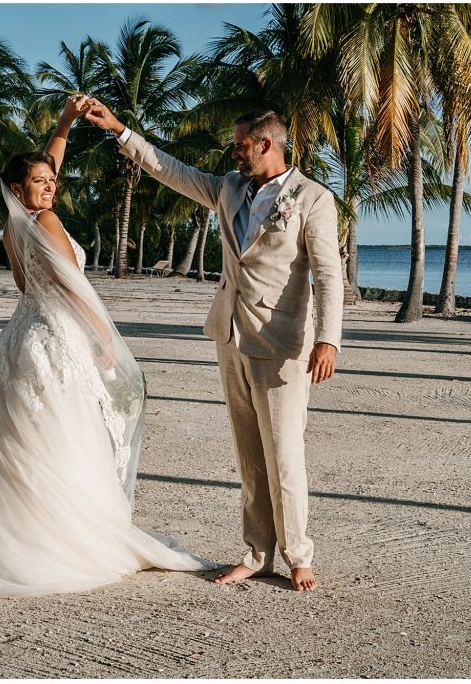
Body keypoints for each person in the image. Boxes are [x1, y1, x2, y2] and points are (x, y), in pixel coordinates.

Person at [0, 95, 214, 597]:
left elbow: (31, 267)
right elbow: (73, 285)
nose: (51, 187)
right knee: (60, 440)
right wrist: (103, 337)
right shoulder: (44, 223)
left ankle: (4, 539)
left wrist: (67, 123)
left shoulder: (12, 224)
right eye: (40, 183)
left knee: (23, 443)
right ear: (16, 188)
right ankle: (57, 542)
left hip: (22, 338)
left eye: (53, 182)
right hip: (55, 339)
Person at [84, 101, 343, 592]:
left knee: (284, 454)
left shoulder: (313, 199)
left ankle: (298, 555)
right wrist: (120, 130)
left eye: (241, 144)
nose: (234, 151)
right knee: (249, 456)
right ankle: (257, 552)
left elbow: (329, 274)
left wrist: (328, 338)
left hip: (283, 343)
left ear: (266, 144)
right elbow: (171, 171)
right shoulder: (228, 186)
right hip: (230, 336)